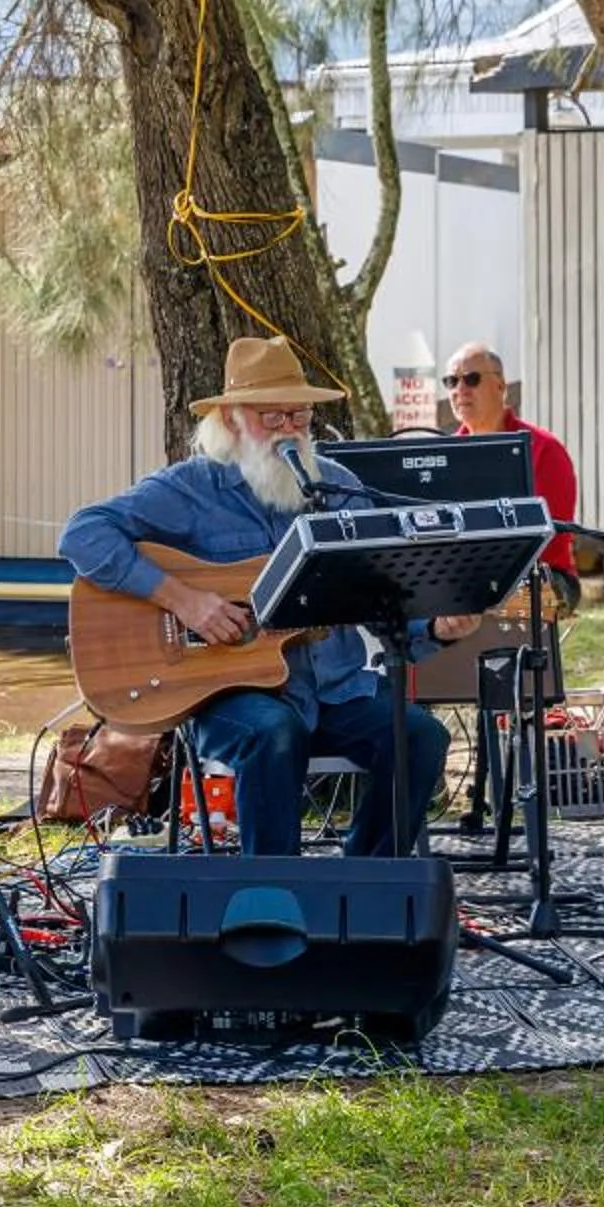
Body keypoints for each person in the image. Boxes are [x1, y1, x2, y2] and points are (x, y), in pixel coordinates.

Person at [60, 336, 474, 857]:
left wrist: (434, 628)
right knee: (273, 731)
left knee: (420, 736)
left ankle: (367, 885)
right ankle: (272, 894)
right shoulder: (192, 489)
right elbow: (81, 533)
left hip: (336, 691)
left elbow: (381, 592)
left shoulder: (339, 489)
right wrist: (185, 601)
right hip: (230, 698)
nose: (288, 431)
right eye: (271, 417)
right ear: (232, 420)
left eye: (298, 416)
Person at [443, 341, 580, 608]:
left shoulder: (543, 448)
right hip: (464, 577)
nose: (460, 390)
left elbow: (550, 539)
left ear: (501, 386)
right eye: (451, 381)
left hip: (544, 576)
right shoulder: (444, 456)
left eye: (471, 379)